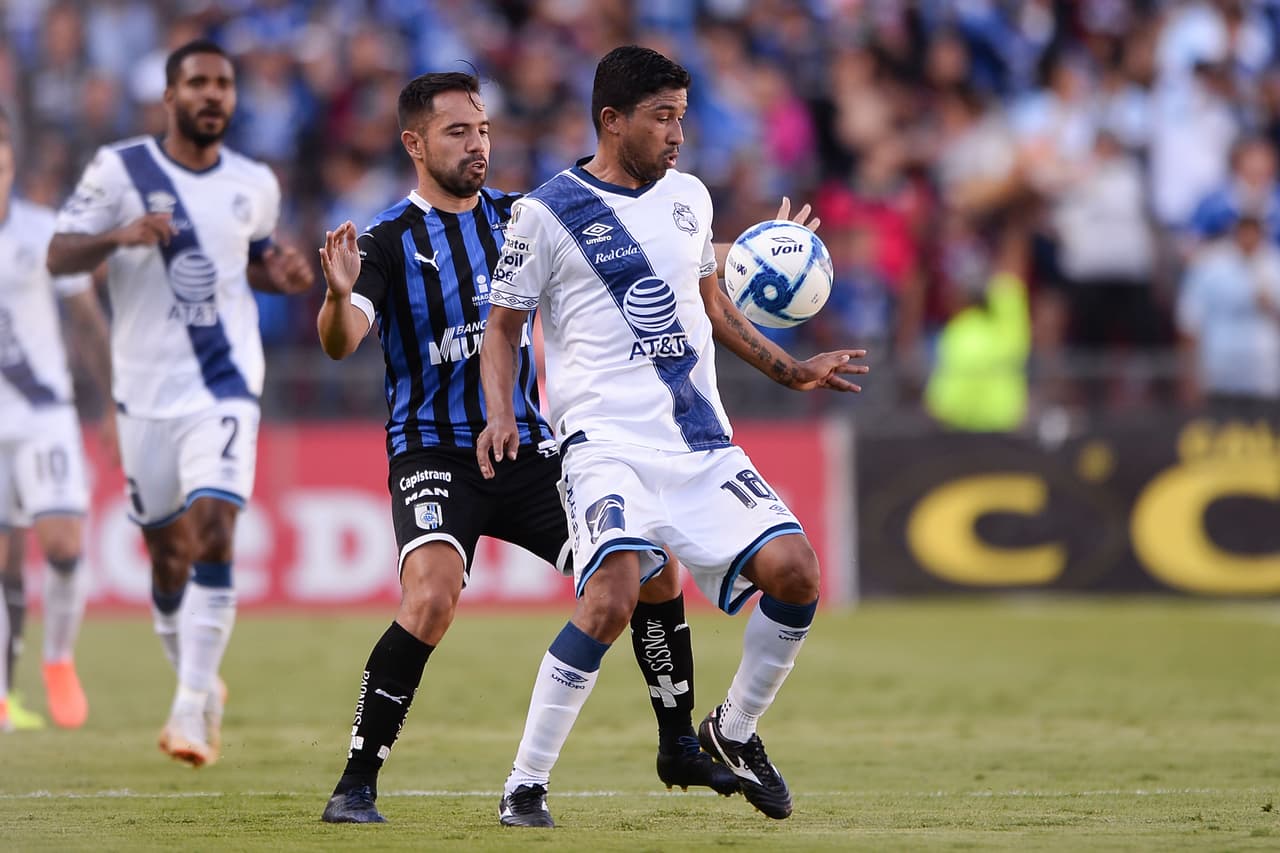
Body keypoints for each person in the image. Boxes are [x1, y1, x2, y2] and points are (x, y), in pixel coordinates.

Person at [314, 70, 741, 825]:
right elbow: (343, 339)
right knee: (432, 598)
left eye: (482, 130)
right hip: (434, 452)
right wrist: (334, 295)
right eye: (457, 132)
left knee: (650, 565)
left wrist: (764, 251)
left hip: (525, 446)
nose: (477, 144)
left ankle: (678, 742)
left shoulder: (524, 217)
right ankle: (355, 783)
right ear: (414, 143)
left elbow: (663, 247)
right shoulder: (387, 241)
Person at [477, 45, 867, 827]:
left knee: (797, 572)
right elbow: (503, 326)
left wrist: (791, 370)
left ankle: (734, 729)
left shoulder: (690, 197)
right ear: (611, 120)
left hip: (699, 443)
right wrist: (502, 411)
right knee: (613, 594)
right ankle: (524, 784)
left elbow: (713, 308)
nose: (677, 134)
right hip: (603, 444)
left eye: (681, 117)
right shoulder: (546, 213)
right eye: (662, 117)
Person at [46, 39, 314, 766]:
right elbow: (59, 253)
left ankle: (190, 706)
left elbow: (252, 260)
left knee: (216, 528)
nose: (212, 94)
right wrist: (119, 235)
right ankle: (197, 680)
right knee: (167, 560)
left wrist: (282, 274)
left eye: (223, 84)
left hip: (224, 384)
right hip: (142, 394)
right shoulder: (121, 169)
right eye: (197, 82)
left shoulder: (255, 182)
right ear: (170, 96)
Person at [0, 104, 113, 732]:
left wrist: (114, 403)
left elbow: (88, 322)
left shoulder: (44, 232)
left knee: (65, 547)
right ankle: (0, 698)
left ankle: (58, 660)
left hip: (44, 415)